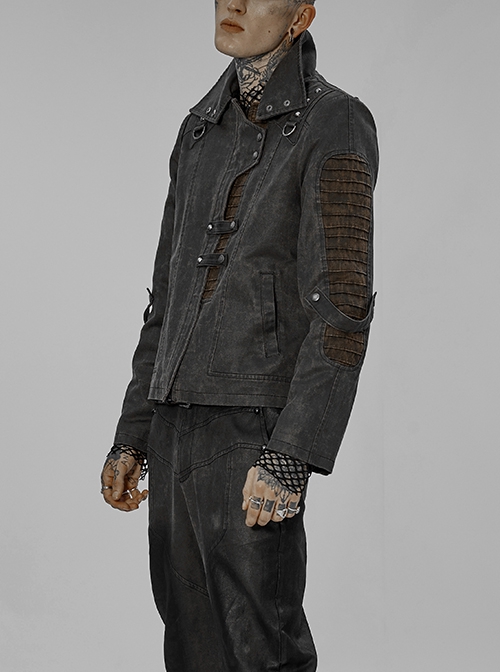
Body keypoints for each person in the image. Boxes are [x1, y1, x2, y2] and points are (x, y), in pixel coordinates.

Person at [100, 1, 378, 670]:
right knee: (189, 645)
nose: (233, 3)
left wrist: (292, 455)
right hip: (173, 427)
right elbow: (165, 298)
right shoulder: (199, 129)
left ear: (301, 17)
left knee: (261, 648)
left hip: (254, 433)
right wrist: (133, 434)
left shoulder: (336, 122)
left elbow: (342, 308)